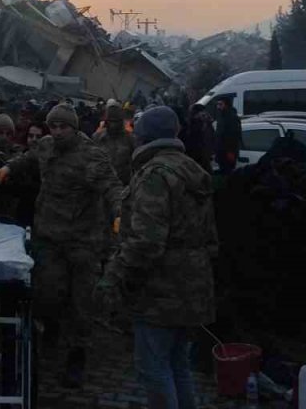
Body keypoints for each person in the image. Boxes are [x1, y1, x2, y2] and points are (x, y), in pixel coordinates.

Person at [95, 107, 217, 409]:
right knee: (178, 366)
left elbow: (147, 242)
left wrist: (113, 276)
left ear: (146, 135)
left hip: (160, 292)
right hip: (192, 286)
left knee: (153, 369)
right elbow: (210, 237)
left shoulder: (154, 175)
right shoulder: (191, 169)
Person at [0, 104, 122, 388]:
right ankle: (51, 332)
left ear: (75, 127)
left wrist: (120, 212)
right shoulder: (46, 146)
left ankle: (77, 354)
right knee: (47, 293)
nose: (58, 131)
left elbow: (112, 187)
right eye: (53, 126)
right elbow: (28, 158)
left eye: (64, 126)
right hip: (49, 237)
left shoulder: (92, 156)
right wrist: (9, 166)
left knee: (81, 302)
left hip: (82, 242)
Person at [95, 103, 134, 184]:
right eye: (111, 121)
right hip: (102, 183)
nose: (113, 125)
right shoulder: (98, 137)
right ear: (107, 121)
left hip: (124, 183)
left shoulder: (130, 138)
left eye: (116, 121)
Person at [180, 104, 214, 172]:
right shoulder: (190, 125)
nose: (205, 114)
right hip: (195, 156)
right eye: (203, 112)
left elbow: (211, 137)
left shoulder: (207, 123)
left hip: (204, 155)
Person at [213, 98, 242, 174]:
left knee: (228, 172)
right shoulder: (221, 116)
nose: (218, 106)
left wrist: (231, 151)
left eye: (220, 104)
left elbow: (233, 135)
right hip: (221, 151)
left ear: (226, 105)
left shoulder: (231, 117)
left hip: (228, 152)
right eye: (217, 104)